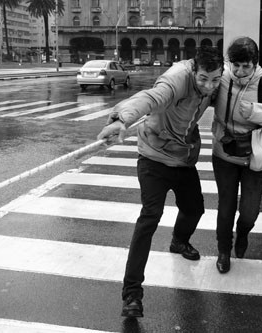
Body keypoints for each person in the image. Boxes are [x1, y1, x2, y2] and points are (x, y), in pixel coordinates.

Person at [96, 46, 224, 317]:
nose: (208, 86)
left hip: (182, 157)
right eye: (203, 78)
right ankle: (132, 294)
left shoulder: (215, 82)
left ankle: (179, 241)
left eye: (214, 79)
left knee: (195, 209)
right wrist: (123, 119)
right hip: (153, 156)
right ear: (194, 70)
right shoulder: (177, 78)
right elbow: (151, 98)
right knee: (150, 216)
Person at [211, 37, 262, 274]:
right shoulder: (221, 79)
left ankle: (243, 231)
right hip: (223, 153)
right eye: (235, 64)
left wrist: (255, 112)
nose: (240, 71)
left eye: (246, 65)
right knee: (225, 207)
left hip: (255, 156)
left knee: (249, 211)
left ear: (255, 64)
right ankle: (224, 250)